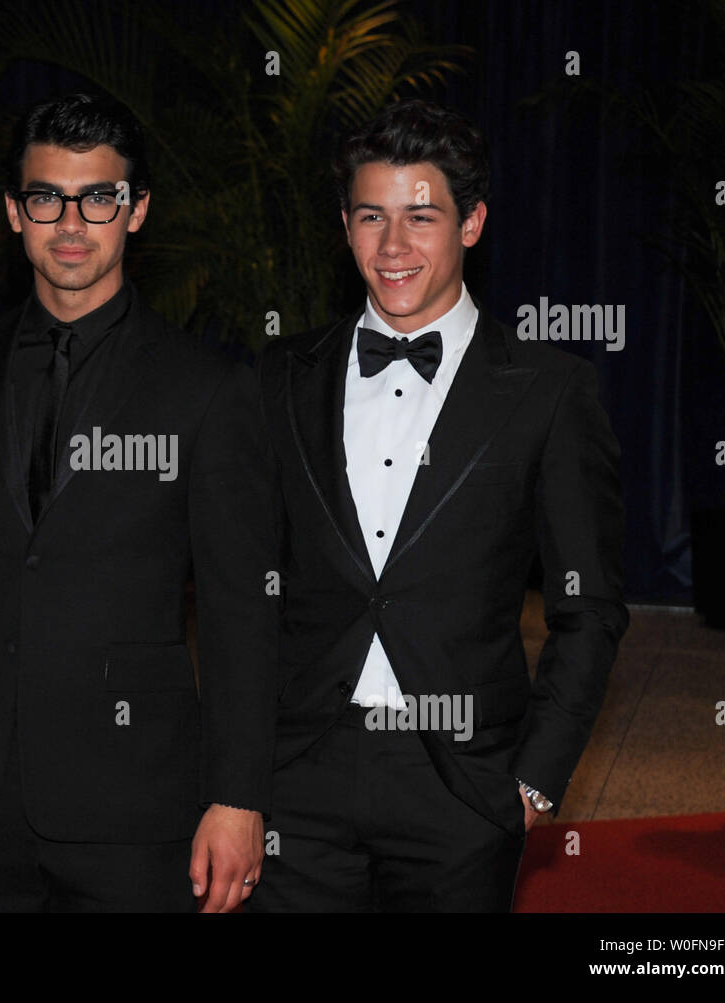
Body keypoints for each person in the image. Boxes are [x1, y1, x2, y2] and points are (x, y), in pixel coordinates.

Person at [248, 99, 628, 911]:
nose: (393, 247)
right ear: (344, 225)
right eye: (371, 217)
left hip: (462, 783)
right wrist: (239, 776)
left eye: (422, 216)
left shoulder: (549, 392)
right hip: (299, 776)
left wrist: (535, 781)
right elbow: (240, 589)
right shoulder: (279, 376)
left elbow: (589, 607)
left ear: (473, 222)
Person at [0, 92, 278, 912]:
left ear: (135, 208)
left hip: (135, 795)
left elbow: (240, 612)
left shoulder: (208, 389)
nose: (71, 222)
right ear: (15, 210)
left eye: (98, 197)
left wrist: (240, 795)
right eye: (46, 197)